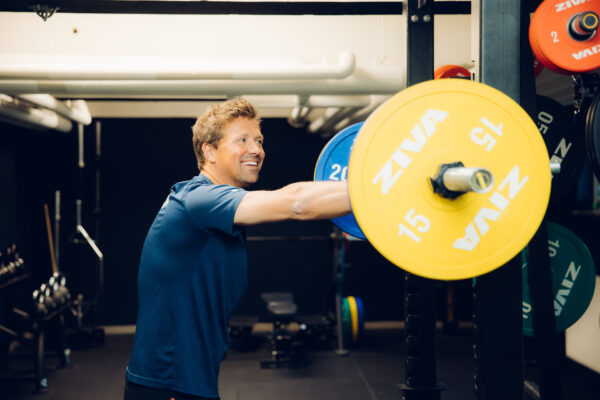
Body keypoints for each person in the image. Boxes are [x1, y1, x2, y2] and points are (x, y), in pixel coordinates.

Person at [124, 97, 351, 400]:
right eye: (242, 140)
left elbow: (301, 195)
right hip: (168, 384)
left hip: (181, 380)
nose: (256, 150)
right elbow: (296, 202)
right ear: (209, 151)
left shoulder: (204, 203)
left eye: (258, 140)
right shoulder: (198, 200)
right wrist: (377, 188)